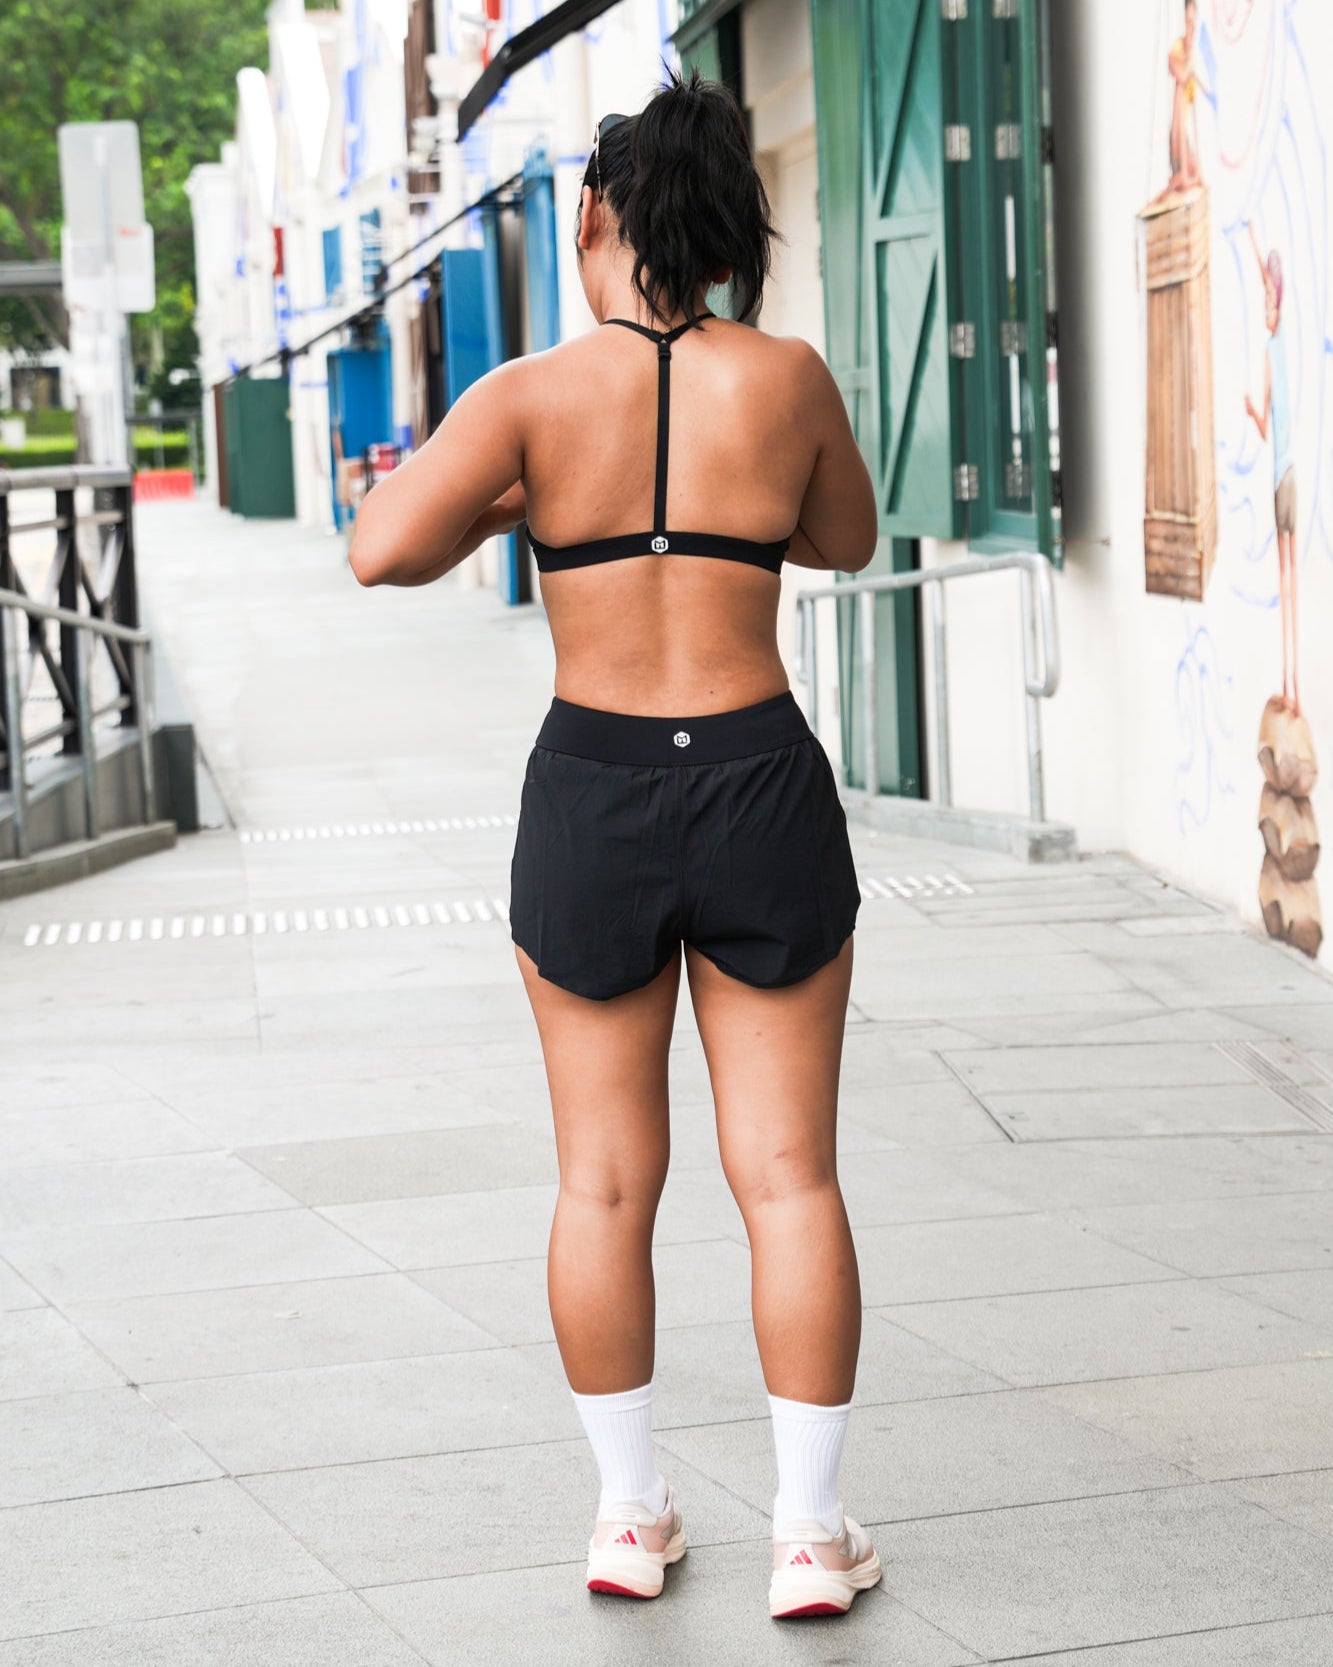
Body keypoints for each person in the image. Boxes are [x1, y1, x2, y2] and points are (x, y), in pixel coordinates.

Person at [349, 69, 882, 1621]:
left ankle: (628, 1516)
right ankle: (809, 1533)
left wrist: (523, 506)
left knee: (599, 1182)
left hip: (592, 784)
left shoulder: (529, 395)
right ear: (726, 231)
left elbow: (380, 548)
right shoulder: (785, 377)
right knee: (788, 1175)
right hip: (757, 772)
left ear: (597, 213)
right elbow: (844, 537)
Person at [1244, 224, 1300, 714]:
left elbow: (1265, 426)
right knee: (1290, 578)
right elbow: (1270, 279)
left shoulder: (1273, 350)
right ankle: (1292, 682)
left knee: (1286, 580)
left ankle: (1291, 682)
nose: (1266, 306)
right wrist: (1252, 239)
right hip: (1288, 474)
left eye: (1269, 300)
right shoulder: (1279, 348)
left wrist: (1249, 410)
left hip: (1282, 479)